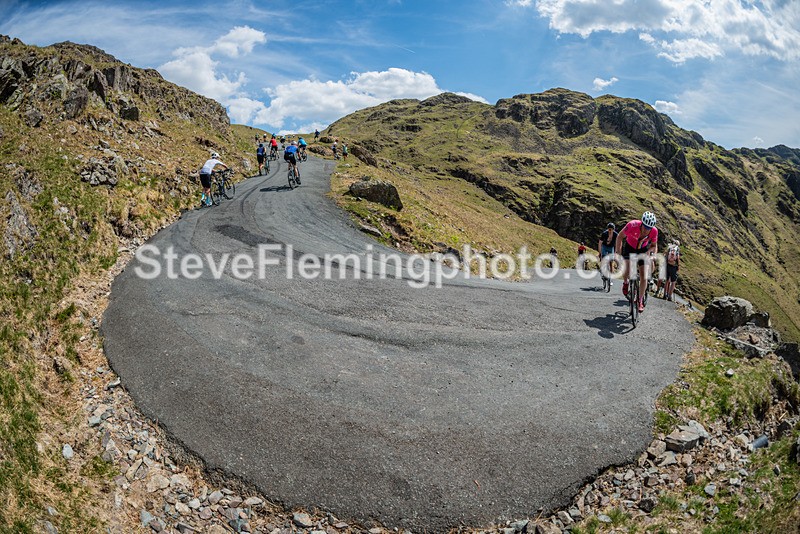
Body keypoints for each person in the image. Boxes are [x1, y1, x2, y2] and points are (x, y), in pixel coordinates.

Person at [615, 211, 658, 313]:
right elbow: (620, 237)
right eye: (645, 226)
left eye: (649, 228)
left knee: (644, 276)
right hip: (630, 247)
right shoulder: (632, 225)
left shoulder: (654, 231)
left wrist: (652, 254)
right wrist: (618, 252)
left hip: (643, 250)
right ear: (641, 223)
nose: (646, 230)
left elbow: (654, 245)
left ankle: (640, 300)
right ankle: (626, 283)